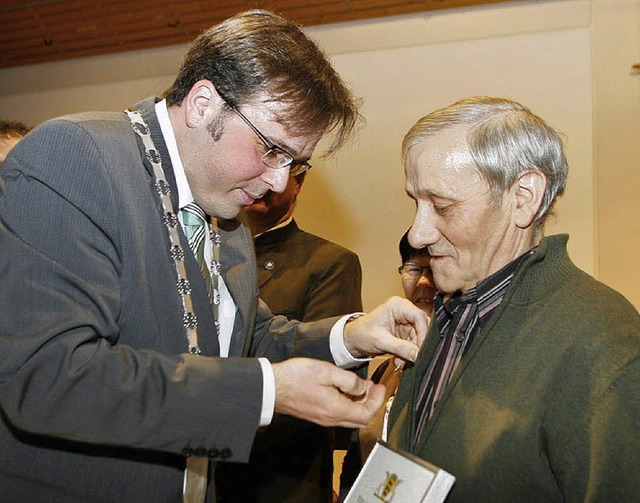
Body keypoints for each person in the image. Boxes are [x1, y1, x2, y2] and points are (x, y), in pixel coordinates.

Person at [0, 10, 428, 503]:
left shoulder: (220, 203)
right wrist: (266, 392)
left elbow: (244, 338)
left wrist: (350, 336)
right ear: (203, 103)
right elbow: (48, 375)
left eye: (295, 162)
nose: (279, 182)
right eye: (271, 149)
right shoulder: (76, 156)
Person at [387, 96, 640, 501]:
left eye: (441, 205)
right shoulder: (456, 308)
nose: (416, 234)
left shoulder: (604, 342)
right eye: (416, 203)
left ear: (524, 196)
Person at [216, 171, 364, 502]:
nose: (266, 182)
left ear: (299, 181)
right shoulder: (213, 253)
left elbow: (319, 380)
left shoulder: (329, 262)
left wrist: (213, 422)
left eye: (286, 171)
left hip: (278, 480)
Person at [339, 231, 436, 499]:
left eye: (434, 268)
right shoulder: (386, 369)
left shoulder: (462, 362)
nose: (424, 281)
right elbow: (357, 457)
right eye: (414, 269)